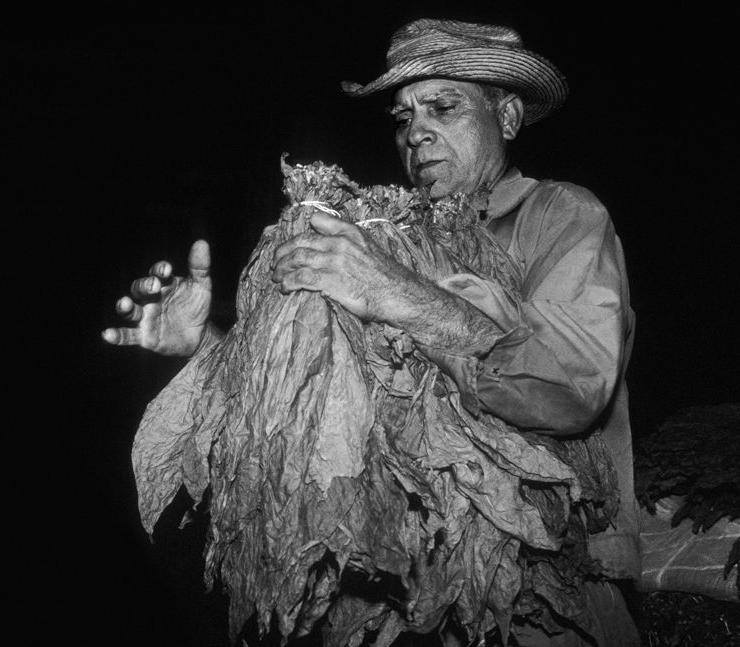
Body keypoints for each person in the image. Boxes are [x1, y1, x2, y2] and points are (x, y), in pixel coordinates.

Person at [103, 19, 641, 647]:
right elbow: (326, 420)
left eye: (443, 107)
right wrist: (206, 346)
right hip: (402, 611)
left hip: (543, 614)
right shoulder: (383, 239)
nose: (416, 132)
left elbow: (572, 386)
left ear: (509, 116)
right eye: (403, 116)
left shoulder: (561, 216)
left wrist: (392, 290)